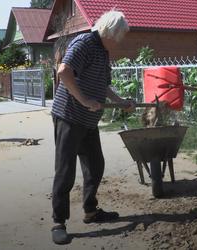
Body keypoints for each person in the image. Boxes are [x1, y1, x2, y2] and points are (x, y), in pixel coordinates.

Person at [50, 10, 135, 244]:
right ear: (109, 31)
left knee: (96, 166)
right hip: (68, 116)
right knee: (65, 171)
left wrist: (121, 102)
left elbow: (104, 86)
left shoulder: (103, 51)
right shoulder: (85, 43)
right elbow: (64, 72)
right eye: (118, 36)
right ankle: (59, 222)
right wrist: (84, 100)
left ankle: (90, 211)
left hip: (89, 121)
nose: (119, 42)